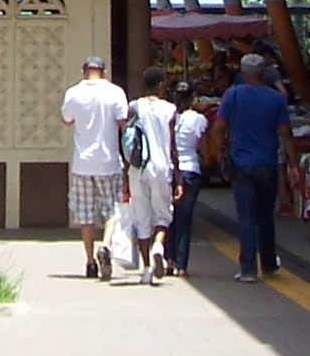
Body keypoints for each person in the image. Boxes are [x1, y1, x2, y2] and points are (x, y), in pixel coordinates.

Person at [220, 54, 296, 282]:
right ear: (263, 74)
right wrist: (293, 163)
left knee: (245, 217)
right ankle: (269, 263)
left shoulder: (231, 95)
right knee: (265, 217)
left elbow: (218, 127)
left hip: (241, 164)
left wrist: (222, 150)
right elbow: (285, 133)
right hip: (268, 164)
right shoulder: (276, 99)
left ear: (243, 73)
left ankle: (248, 269)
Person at [58, 55, 127, 278]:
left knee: (86, 215)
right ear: (104, 72)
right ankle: (105, 245)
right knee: (112, 210)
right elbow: (123, 121)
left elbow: (66, 120)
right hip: (109, 162)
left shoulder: (73, 93)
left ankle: (89, 262)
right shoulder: (115, 92)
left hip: (82, 163)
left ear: (83, 71)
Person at [123, 67, 178, 283]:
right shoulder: (170, 109)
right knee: (163, 216)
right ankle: (159, 245)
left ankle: (146, 269)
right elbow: (172, 146)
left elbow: (127, 139)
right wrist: (179, 176)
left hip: (137, 168)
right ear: (161, 83)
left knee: (141, 218)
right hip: (161, 167)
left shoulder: (133, 107)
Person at [164, 82, 209, 276]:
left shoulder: (168, 117)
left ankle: (169, 260)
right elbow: (205, 148)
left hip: (170, 170)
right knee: (185, 218)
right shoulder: (199, 119)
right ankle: (182, 266)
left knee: (168, 217)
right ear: (193, 98)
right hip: (190, 170)